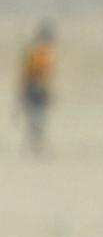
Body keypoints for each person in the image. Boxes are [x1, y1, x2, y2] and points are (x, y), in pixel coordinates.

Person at [20, 21, 55, 153]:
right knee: (37, 117)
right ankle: (35, 145)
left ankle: (36, 145)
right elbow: (30, 73)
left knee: (37, 117)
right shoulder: (39, 52)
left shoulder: (43, 52)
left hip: (37, 88)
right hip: (35, 87)